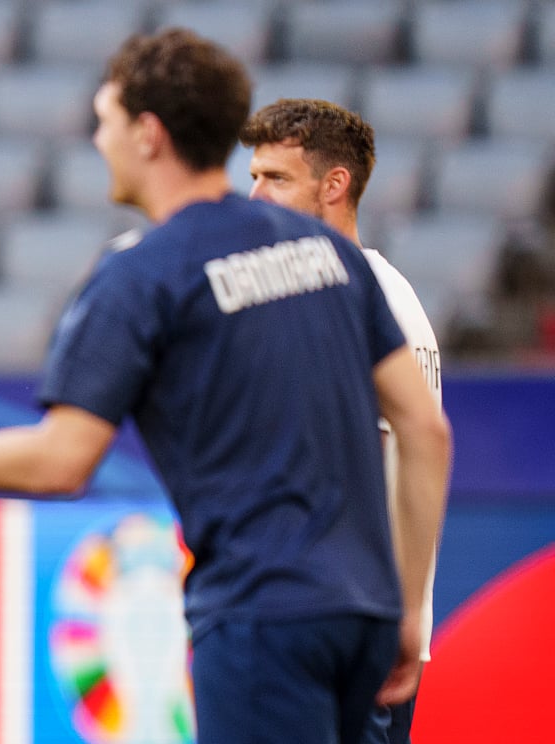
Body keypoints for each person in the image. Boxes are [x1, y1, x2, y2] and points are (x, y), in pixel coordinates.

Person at [0, 30, 452, 744]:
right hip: (368, 615)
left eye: (105, 120)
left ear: (148, 135)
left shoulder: (141, 274)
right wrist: (406, 609)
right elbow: (427, 430)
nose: (98, 140)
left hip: (262, 615)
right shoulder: (327, 255)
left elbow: (61, 462)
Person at [240, 98, 443, 744]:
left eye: (275, 178)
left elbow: (382, 465)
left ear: (335, 185)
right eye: (253, 176)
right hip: (335, 626)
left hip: (352, 634)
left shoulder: (367, 299)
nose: (254, 194)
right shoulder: (352, 293)